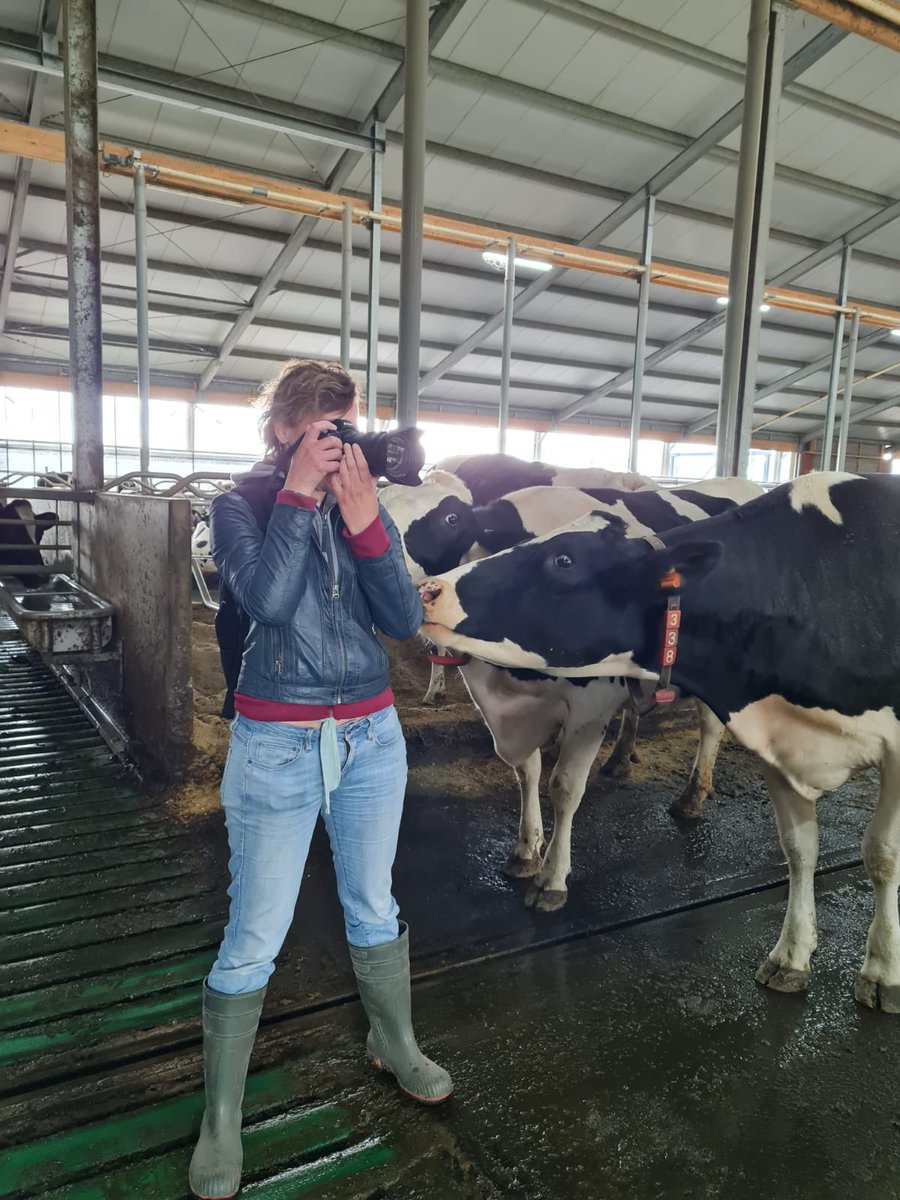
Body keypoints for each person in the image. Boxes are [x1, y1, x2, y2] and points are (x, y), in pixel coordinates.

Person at [190, 360, 452, 1200]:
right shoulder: (241, 507)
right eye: (325, 430)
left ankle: (394, 1042)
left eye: (348, 426)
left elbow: (403, 621)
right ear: (283, 433)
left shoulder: (357, 501)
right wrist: (301, 498)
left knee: (374, 902)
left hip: (373, 735)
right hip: (278, 741)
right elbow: (265, 601)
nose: (341, 444)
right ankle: (222, 1120)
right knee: (255, 935)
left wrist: (367, 521)